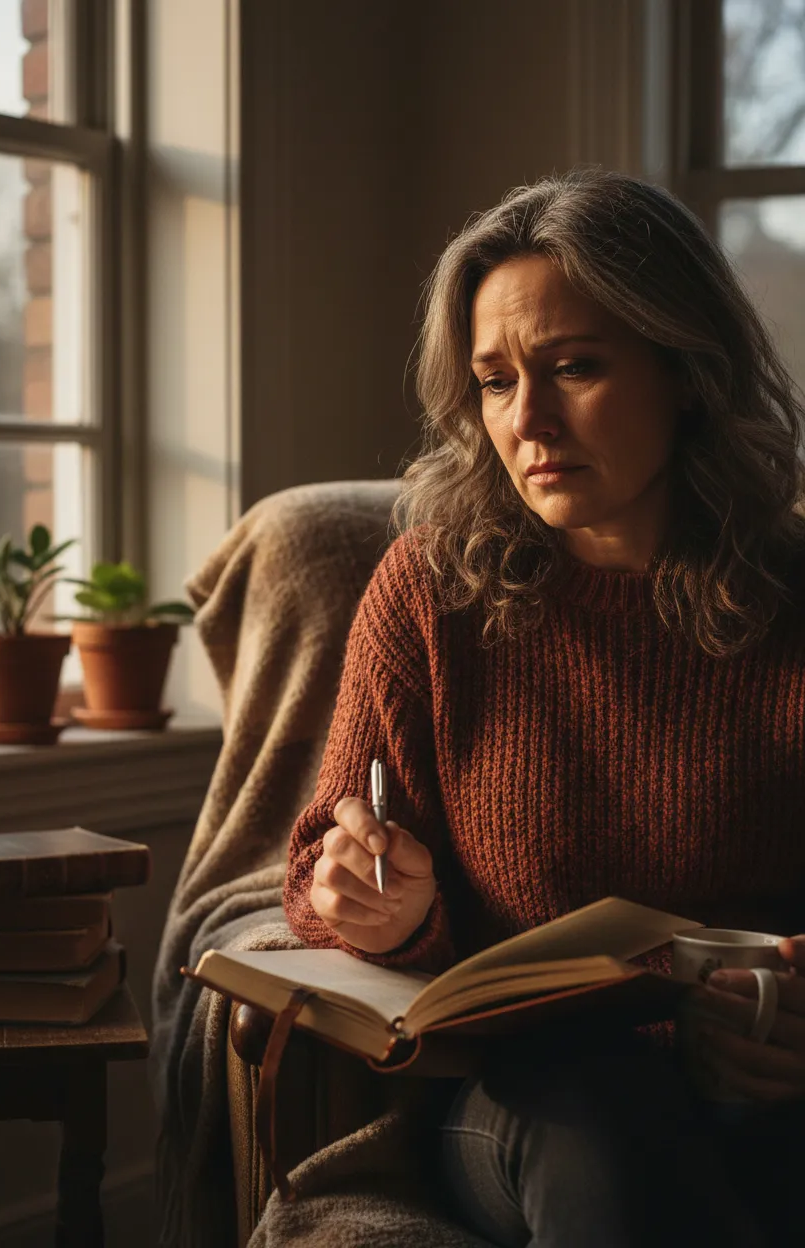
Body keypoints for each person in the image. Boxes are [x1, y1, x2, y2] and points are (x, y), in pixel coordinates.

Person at [282, 168, 805, 1247]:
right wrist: (377, 901)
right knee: (609, 1122)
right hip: (531, 1104)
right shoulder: (432, 591)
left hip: (768, 1081)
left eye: (573, 368)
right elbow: (317, 862)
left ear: (687, 373)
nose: (528, 422)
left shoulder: (792, 595)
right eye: (493, 381)